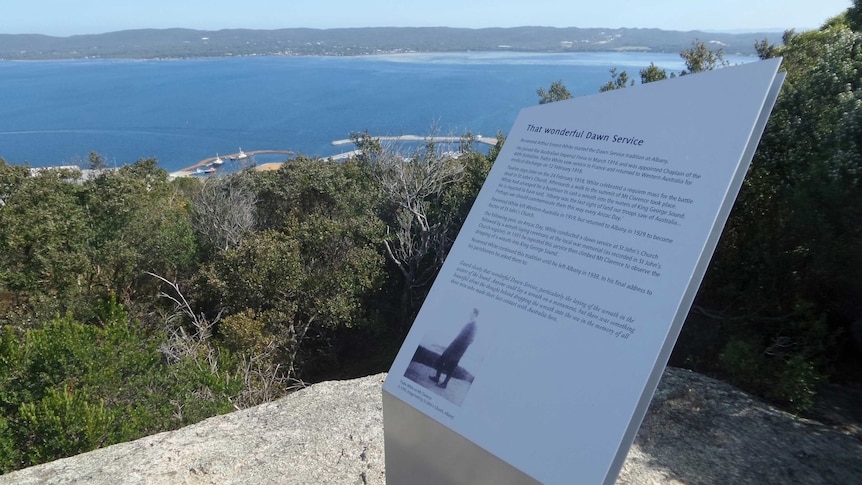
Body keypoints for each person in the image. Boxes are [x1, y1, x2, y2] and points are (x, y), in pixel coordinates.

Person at [430, 308, 478, 388]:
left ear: (475, 315)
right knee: (442, 359)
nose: (470, 314)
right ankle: (437, 378)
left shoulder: (474, 327)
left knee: (451, 366)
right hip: (452, 347)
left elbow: (470, 340)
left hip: (458, 351)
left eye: (472, 313)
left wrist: (459, 348)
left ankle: (444, 384)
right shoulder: (468, 324)